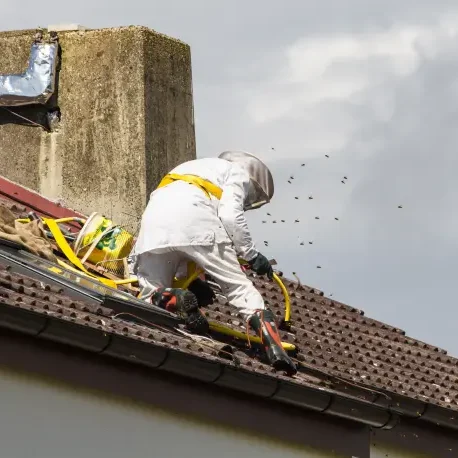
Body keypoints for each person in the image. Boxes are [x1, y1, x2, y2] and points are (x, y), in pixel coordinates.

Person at [128, 151, 297, 375]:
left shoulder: (190, 167)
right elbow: (229, 215)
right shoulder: (237, 173)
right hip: (197, 220)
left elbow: (182, 247)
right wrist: (252, 255)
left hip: (154, 224)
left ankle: (174, 297)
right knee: (240, 289)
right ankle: (276, 351)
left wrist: (197, 283)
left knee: (148, 293)